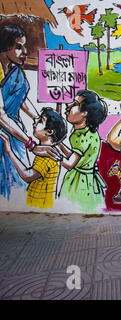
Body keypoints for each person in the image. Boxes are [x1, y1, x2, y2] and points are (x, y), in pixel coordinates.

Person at [0, 24, 61, 200]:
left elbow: (22, 100)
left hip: (15, 133)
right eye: (18, 47)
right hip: (7, 132)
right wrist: (31, 145)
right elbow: (1, 115)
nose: (25, 51)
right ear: (5, 47)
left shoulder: (15, 71)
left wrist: (41, 119)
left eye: (24, 46)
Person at [0, 108, 67, 209]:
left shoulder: (48, 156)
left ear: (49, 131)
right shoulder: (46, 152)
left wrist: (9, 151)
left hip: (40, 203)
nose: (35, 121)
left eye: (40, 121)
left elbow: (28, 176)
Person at [58, 90, 107, 211]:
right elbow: (76, 157)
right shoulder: (87, 133)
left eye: (75, 104)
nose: (68, 105)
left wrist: (53, 156)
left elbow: (70, 164)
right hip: (87, 179)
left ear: (85, 113)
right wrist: (58, 143)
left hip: (80, 183)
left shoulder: (82, 137)